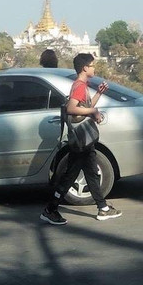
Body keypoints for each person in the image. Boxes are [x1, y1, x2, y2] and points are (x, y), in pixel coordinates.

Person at [41, 53, 122, 225]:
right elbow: (72, 108)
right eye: (92, 65)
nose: (94, 68)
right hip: (81, 140)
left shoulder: (82, 85)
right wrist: (93, 112)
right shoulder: (79, 86)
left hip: (85, 140)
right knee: (70, 176)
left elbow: (84, 107)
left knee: (91, 173)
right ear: (85, 68)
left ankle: (103, 208)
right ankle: (51, 209)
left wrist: (98, 95)